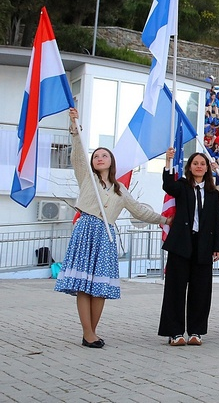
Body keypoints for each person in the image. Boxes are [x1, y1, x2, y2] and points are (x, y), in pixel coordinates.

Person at [55, 108, 168, 348]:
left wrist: (165, 220)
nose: (99, 158)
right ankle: (88, 333)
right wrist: (75, 129)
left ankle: (92, 332)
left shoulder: (120, 190)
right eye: (96, 156)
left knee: (100, 287)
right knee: (83, 286)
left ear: (111, 161)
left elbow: (139, 211)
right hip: (86, 230)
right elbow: (77, 156)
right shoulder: (87, 178)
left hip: (106, 234)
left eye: (104, 155)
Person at [158, 148, 219, 347]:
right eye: (195, 163)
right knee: (175, 289)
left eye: (202, 163)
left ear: (207, 168)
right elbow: (168, 186)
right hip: (181, 244)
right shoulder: (182, 186)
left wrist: (217, 246)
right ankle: (175, 332)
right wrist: (168, 162)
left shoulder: (212, 193)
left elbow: (215, 221)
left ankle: (196, 331)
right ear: (190, 167)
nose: (199, 166)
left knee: (201, 290)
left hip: (203, 246)